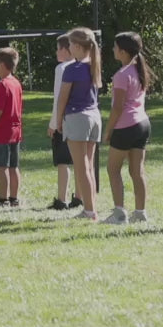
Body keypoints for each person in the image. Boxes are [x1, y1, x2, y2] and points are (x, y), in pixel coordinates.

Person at [102, 32, 153, 224]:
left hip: (126, 126)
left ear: (122, 52)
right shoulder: (140, 71)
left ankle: (119, 213)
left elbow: (118, 107)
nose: (113, 50)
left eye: (115, 47)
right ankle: (140, 213)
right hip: (142, 124)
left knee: (113, 169)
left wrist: (108, 130)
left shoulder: (121, 75)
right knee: (137, 171)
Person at [54, 28, 103, 221]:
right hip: (94, 117)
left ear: (76, 46)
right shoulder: (93, 65)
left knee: (81, 167)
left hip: (77, 117)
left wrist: (58, 121)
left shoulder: (71, 69)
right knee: (88, 166)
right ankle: (91, 208)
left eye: (71, 45)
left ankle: (89, 211)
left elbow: (62, 97)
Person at [0, 47, 24, 207]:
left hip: (2, 131)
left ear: (2, 64)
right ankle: (14, 198)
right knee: (14, 166)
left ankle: (3, 199)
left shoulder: (2, 85)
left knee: (2, 166)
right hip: (15, 130)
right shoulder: (16, 83)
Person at [46, 35, 77, 210]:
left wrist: (53, 123)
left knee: (63, 161)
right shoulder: (82, 67)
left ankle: (62, 199)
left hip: (63, 122)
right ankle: (79, 197)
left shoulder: (62, 68)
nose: (56, 52)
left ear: (66, 50)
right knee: (79, 161)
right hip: (78, 119)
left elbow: (59, 98)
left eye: (58, 48)